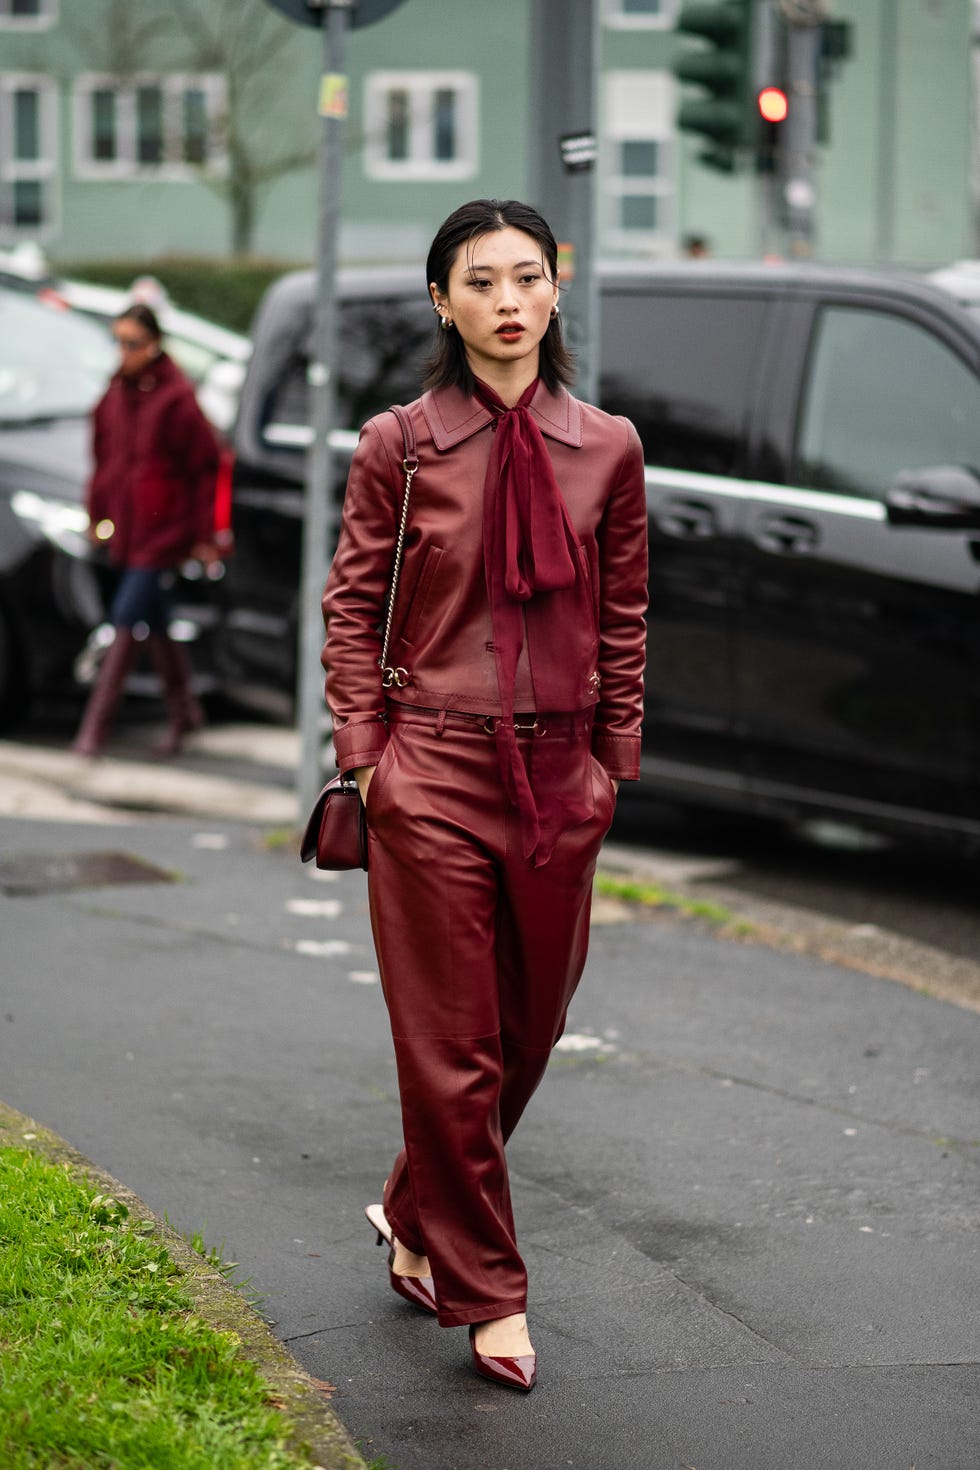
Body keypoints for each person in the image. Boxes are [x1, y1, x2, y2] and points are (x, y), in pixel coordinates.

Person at [321, 199, 648, 1392]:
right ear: (442, 302)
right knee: (450, 1045)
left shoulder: (608, 445)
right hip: (432, 772)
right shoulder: (397, 445)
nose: (507, 300)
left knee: (527, 1032)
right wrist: (369, 758)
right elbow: (352, 608)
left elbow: (621, 614)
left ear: (554, 292)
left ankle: (415, 1209)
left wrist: (613, 760)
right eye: (480, 280)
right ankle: (490, 1292)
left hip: (562, 775)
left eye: (526, 277)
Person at [71, 304, 221, 758]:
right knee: (154, 621)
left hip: (164, 532)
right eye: (118, 341)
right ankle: (185, 713)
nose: (124, 352)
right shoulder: (114, 394)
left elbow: (206, 466)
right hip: (128, 528)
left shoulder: (176, 398)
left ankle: (93, 729)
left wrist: (202, 536)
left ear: (154, 344)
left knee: (123, 618)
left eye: (132, 343)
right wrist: (97, 516)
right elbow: (104, 462)